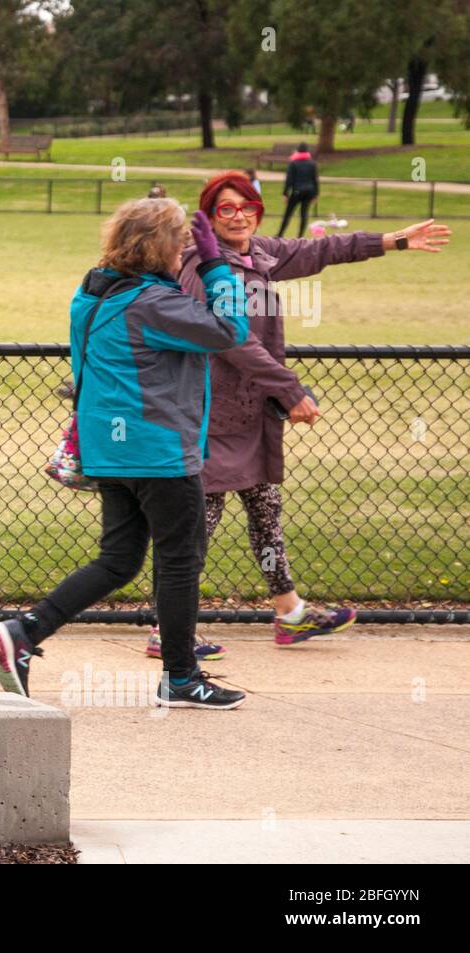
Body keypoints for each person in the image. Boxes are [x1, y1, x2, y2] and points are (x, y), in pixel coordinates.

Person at [171, 171, 451, 652]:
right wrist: (290, 390)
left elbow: (323, 250)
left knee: (265, 513)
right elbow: (231, 341)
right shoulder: (202, 269)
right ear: (210, 217)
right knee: (201, 524)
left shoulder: (258, 254)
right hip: (210, 414)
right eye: (227, 208)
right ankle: (167, 628)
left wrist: (394, 241)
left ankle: (291, 612)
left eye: (248, 207)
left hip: (251, 412)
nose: (239, 216)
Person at [0, 198, 250, 710]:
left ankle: (25, 630)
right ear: (161, 247)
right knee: (179, 562)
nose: (184, 255)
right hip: (159, 452)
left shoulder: (91, 295)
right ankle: (181, 677)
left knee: (119, 560)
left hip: (111, 450)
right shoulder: (152, 303)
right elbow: (229, 331)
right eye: (179, 245)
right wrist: (217, 267)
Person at [278, 143, 318, 238]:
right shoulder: (312, 163)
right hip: (309, 191)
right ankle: (300, 236)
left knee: (288, 213)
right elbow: (315, 179)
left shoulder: (294, 163)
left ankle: (280, 234)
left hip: (297, 191)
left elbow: (289, 180)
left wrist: (285, 193)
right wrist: (316, 194)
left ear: (297, 151)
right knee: (304, 213)